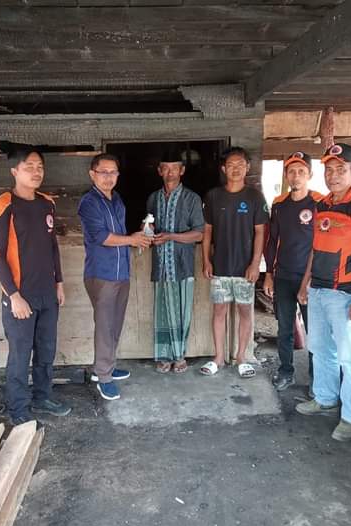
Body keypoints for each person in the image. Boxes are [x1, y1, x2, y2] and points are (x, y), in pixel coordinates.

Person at [296, 143, 351, 442]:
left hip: (346, 294)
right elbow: (315, 249)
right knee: (321, 349)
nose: (333, 176)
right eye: (329, 170)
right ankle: (325, 398)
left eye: (341, 169)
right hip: (319, 290)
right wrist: (305, 283)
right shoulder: (323, 204)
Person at [0, 145, 70, 426]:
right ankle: (18, 408)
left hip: (48, 292)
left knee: (46, 349)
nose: (36, 172)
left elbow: (52, 246)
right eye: (29, 167)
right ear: (15, 171)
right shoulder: (3, 206)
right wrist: (13, 295)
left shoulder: (47, 203)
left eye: (40, 167)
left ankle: (43, 397)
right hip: (20, 296)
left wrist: (59, 282)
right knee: (20, 355)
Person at [78, 153, 151, 400]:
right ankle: (103, 377)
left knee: (115, 322)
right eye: (104, 172)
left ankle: (107, 365)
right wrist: (132, 240)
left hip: (122, 272)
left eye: (113, 172)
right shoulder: (89, 203)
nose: (109, 177)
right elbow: (102, 237)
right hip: (101, 273)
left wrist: (140, 233)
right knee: (105, 325)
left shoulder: (116, 198)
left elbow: (120, 233)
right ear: (93, 174)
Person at [200, 147, 269, 378]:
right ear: (223, 169)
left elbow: (260, 232)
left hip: (245, 268)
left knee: (245, 311)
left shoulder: (255, 197)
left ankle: (241, 358)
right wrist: (206, 260)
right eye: (231, 165)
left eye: (240, 164)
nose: (236, 169)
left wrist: (255, 264)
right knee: (219, 311)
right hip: (220, 266)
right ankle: (218, 358)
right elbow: (207, 232)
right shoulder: (213, 196)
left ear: (247, 167)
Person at [263, 152, 321, 392]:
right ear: (286, 175)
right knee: (284, 328)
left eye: (301, 172)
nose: (296, 176)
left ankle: (317, 379)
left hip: (311, 279)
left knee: (314, 331)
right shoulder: (279, 204)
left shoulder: (319, 203)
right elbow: (271, 240)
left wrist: (310, 280)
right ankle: (286, 371)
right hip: (283, 276)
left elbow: (321, 245)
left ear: (310, 175)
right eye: (292, 172)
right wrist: (269, 274)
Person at [146, 148, 204, 374]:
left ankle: (179, 355)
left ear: (182, 171)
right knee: (162, 312)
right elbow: (149, 227)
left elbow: (199, 234)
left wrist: (171, 236)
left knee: (182, 312)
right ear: (159, 171)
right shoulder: (153, 198)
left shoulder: (192, 199)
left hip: (182, 265)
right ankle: (164, 355)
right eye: (166, 168)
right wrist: (148, 230)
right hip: (161, 266)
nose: (170, 172)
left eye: (175, 168)